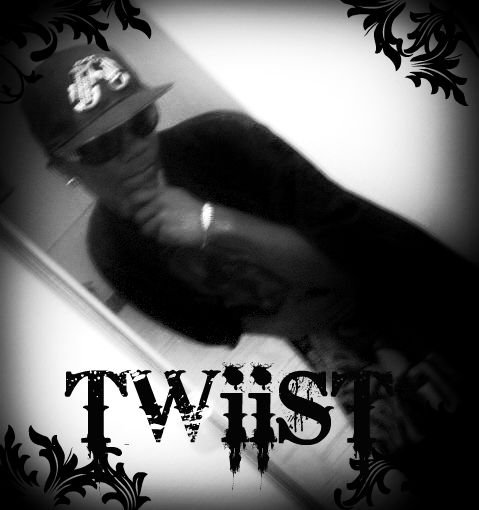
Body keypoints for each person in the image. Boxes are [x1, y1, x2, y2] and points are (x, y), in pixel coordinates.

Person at [22, 44, 477, 508]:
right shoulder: (111, 250)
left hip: (411, 295)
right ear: (63, 168)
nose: (135, 151)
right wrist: (285, 322)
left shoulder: (223, 142)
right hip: (331, 352)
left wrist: (212, 222)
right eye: (100, 145)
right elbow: (211, 326)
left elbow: (358, 259)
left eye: (141, 121)